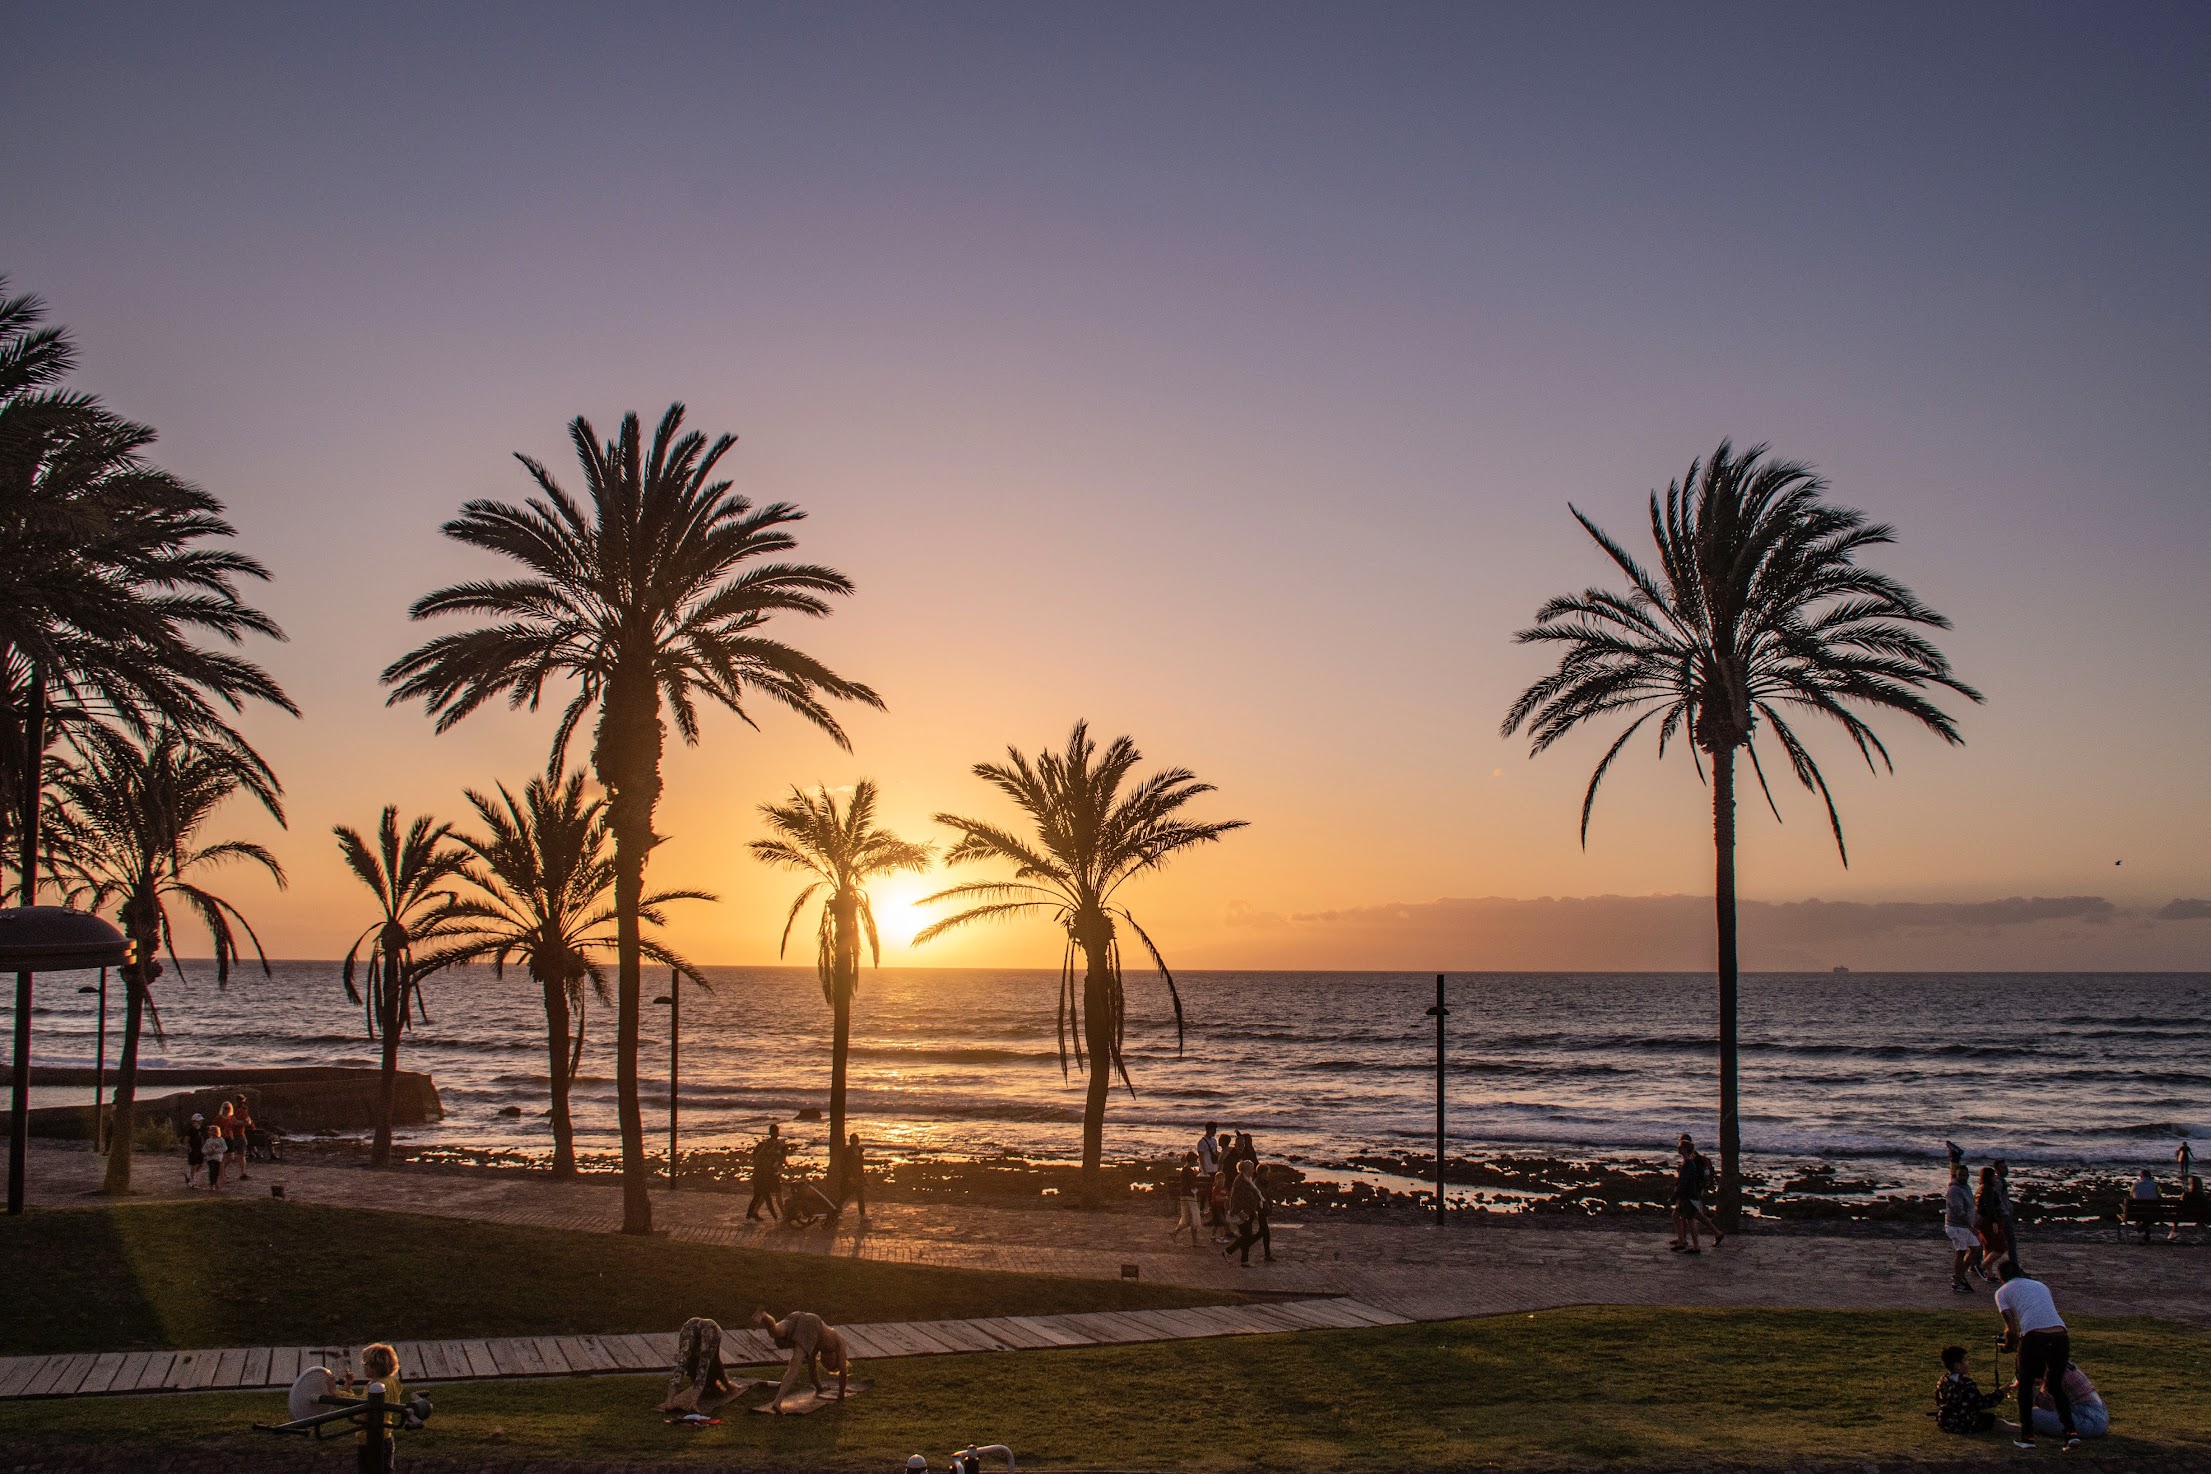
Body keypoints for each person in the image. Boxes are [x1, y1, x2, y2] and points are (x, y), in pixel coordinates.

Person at [1993, 1260, 2078, 1450]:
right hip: (2060, 1335)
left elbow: (2012, 1330)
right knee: (2056, 1386)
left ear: (2001, 1277)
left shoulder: (2002, 1292)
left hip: (2034, 1337)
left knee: (2025, 1385)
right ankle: (2071, 1433)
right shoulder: (2040, 1285)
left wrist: (2008, 1346)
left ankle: (2027, 1436)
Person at [751, 1308, 850, 1414]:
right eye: (830, 1364)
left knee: (775, 1331)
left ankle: (764, 1315)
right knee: (795, 1365)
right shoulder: (840, 1342)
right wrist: (841, 1395)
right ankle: (777, 1402)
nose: (826, 1363)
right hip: (812, 1323)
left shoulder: (817, 1345)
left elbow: (812, 1368)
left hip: (798, 1316)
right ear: (835, 1359)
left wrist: (819, 1387)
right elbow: (843, 1373)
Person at [340, 1342, 407, 1470]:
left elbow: (362, 1408)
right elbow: (361, 1402)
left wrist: (335, 1392)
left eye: (365, 1364)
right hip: (386, 1437)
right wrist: (348, 1387)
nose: (363, 1367)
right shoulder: (391, 1382)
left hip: (371, 1439)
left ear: (374, 1367)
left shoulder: (376, 1386)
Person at [655, 1317, 739, 1414]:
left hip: (700, 1326)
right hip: (698, 1327)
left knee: (688, 1363)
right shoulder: (699, 1340)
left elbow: (710, 1364)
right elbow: (701, 1368)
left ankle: (673, 1402)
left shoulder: (710, 1334)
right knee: (695, 1364)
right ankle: (680, 1402)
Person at [2017, 1361, 2107, 1440]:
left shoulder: (2053, 1374)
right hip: (2098, 1415)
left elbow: (2046, 1404)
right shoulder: (2064, 1366)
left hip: (2088, 1421)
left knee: (2032, 1415)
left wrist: (2029, 1387)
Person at [1933, 1344, 2003, 1434]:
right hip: (1962, 1423)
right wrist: (2000, 1393)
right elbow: (1981, 1403)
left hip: (1945, 1422)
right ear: (1957, 1365)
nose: (1968, 1363)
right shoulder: (1965, 1384)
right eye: (1965, 1360)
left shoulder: (1943, 1381)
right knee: (1994, 1421)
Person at [1222, 1159, 1272, 1266]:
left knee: (1246, 1235)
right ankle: (1228, 1251)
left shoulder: (1247, 1179)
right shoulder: (1240, 1180)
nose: (1253, 1170)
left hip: (1248, 1211)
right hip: (1242, 1212)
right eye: (1251, 1168)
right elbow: (1236, 1198)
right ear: (1246, 1169)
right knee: (1246, 1235)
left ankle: (1244, 1260)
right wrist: (1240, 1212)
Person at [1944, 1163, 1982, 1291]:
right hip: (1957, 1226)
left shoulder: (1966, 1187)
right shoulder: (1953, 1190)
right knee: (1960, 1252)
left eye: (1965, 1175)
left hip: (1967, 1226)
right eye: (1960, 1175)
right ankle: (1957, 1281)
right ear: (1956, 1175)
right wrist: (1970, 1225)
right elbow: (1958, 1210)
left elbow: (1971, 1206)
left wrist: (1974, 1220)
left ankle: (1960, 1275)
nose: (1963, 1177)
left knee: (1976, 1249)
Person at [746, 1124, 787, 1221]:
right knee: (777, 1193)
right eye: (775, 1132)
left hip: (766, 1172)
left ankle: (754, 1212)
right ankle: (783, 1215)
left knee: (765, 1194)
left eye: (777, 1132)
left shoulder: (769, 1144)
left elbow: (777, 1158)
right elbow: (776, 1157)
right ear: (772, 1133)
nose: (776, 1134)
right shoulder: (773, 1144)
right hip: (769, 1172)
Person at [1974, 1165, 2010, 1268]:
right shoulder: (1988, 1189)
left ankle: (1989, 1273)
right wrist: (1994, 1221)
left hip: (1982, 1221)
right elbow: (1989, 1207)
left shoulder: (1981, 1188)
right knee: (2000, 1248)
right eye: (1993, 1176)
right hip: (1989, 1221)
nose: (1995, 1178)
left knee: (1988, 1247)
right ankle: (1981, 1267)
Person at [831, 1132, 867, 1224]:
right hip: (849, 1178)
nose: (854, 1142)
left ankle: (863, 1215)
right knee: (844, 1196)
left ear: (858, 1141)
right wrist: (849, 1177)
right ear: (850, 1141)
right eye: (852, 1140)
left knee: (860, 1197)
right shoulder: (847, 1152)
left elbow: (860, 1166)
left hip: (858, 1177)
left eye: (855, 1140)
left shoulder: (860, 1151)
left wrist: (863, 1177)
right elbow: (844, 1166)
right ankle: (837, 1212)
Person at [1168, 1150, 1203, 1245]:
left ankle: (1174, 1232)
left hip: (1184, 1196)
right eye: (1195, 1160)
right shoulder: (1189, 1171)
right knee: (1194, 1219)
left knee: (1186, 1220)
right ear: (1192, 1160)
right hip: (1190, 1196)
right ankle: (1195, 1241)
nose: (1196, 1162)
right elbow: (1192, 1184)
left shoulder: (1184, 1170)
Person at [203, 1121, 228, 1190]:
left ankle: (215, 1182)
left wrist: (216, 1151)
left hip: (217, 1158)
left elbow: (225, 1148)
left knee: (216, 1171)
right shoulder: (208, 1140)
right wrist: (207, 1152)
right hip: (210, 1158)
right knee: (212, 1170)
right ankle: (212, 1184)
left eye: (212, 1131)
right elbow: (204, 1149)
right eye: (210, 1131)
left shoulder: (221, 1140)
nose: (210, 1132)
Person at [184, 1112, 206, 1186]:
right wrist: (188, 1147)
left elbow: (202, 1138)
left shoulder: (201, 1129)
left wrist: (204, 1147)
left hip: (200, 1148)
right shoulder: (190, 1130)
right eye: (198, 1120)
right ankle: (192, 1180)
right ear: (194, 1121)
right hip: (193, 1149)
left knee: (200, 1164)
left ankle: (190, 1175)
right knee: (194, 1164)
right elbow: (186, 1139)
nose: (200, 1122)